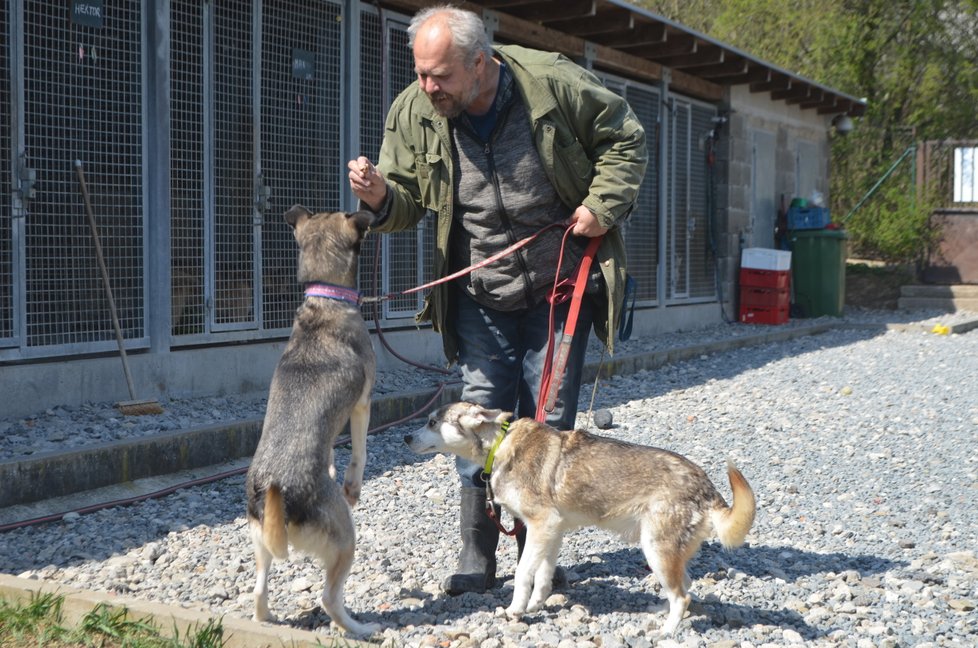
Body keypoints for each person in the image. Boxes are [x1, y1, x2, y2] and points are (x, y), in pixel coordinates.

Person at [347, 5, 646, 595]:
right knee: (474, 420)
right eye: (421, 73)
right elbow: (406, 200)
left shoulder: (553, 84)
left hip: (560, 284)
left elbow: (625, 139)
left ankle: (539, 555)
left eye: (441, 76)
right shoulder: (414, 109)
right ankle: (475, 552)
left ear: (480, 63)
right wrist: (381, 196)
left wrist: (600, 207)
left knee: (548, 422)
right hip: (479, 293)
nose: (428, 87)